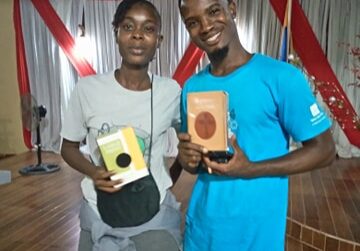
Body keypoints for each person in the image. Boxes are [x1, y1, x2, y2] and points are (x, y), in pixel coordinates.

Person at [177, 0, 336, 250]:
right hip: (202, 232)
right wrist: (187, 158)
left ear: (232, 8)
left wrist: (249, 168)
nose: (206, 26)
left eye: (214, 11)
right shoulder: (192, 87)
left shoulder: (281, 77)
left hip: (256, 235)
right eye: (193, 22)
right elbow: (195, 164)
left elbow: (325, 150)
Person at [60, 1, 182, 250]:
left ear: (159, 40)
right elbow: (68, 147)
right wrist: (95, 173)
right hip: (98, 214)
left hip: (154, 216)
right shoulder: (87, 89)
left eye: (148, 29)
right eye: (128, 26)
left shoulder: (170, 91)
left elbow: (190, 143)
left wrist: (169, 176)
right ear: (116, 32)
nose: (137, 35)